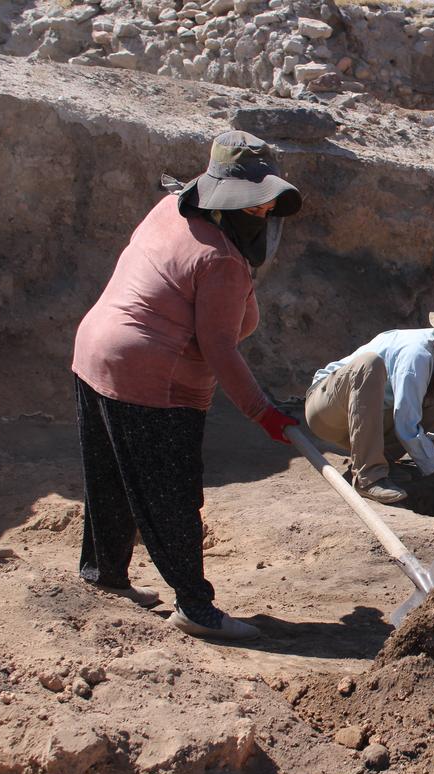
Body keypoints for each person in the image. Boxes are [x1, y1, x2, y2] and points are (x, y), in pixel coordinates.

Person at [71, 131, 302, 641]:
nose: (262, 215)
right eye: (257, 206)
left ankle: (104, 576)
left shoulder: (172, 207)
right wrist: (264, 413)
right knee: (169, 491)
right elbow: (222, 346)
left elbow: (233, 321)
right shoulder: (221, 259)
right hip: (152, 376)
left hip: (94, 351)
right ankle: (195, 607)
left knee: (111, 476)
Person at [304, 307, 434, 503]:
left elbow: (405, 413)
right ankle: (368, 476)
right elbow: (406, 424)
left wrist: (425, 438)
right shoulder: (417, 355)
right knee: (369, 364)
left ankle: (382, 459)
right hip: (327, 410)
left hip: (362, 418)